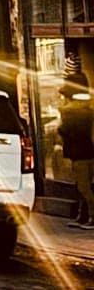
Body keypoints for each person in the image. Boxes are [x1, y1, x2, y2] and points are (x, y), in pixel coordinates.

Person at [60, 87, 94, 228]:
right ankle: (82, 215)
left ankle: (91, 216)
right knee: (83, 187)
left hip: (79, 155)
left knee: (83, 187)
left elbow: (64, 130)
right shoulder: (90, 113)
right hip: (89, 153)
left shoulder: (70, 114)